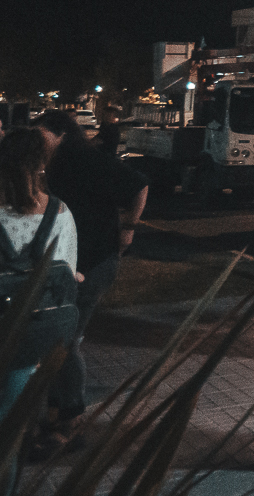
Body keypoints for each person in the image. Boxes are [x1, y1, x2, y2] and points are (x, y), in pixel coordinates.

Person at [35, 109, 146, 450]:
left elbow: (139, 183)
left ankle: (70, 422)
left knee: (66, 341)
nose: (37, 143)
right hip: (74, 262)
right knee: (61, 339)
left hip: (93, 261)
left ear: (60, 134)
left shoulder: (83, 159)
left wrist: (128, 228)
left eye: (41, 135)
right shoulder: (57, 163)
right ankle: (59, 412)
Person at [0, 129, 80, 494]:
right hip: (31, 340)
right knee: (12, 427)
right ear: (42, 165)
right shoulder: (59, 212)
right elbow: (68, 276)